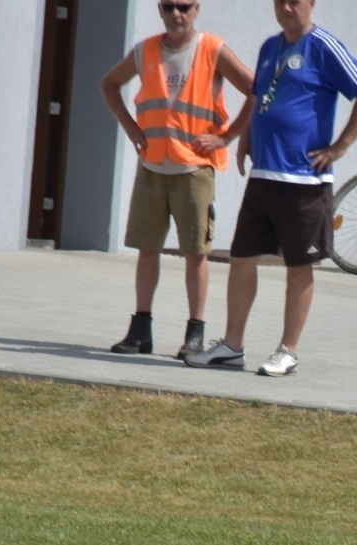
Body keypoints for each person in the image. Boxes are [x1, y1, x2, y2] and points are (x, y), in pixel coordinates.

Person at [214, 0, 357, 377]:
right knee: (242, 258)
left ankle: (288, 350)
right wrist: (245, 137)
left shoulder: (323, 47)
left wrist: (339, 147)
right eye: (280, 2)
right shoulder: (269, 47)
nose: (286, 8)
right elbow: (260, 97)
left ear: (311, 4)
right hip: (264, 176)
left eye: (295, 1)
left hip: (304, 182)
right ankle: (231, 345)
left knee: (299, 265)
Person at [100, 0, 254, 364]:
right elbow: (109, 84)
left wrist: (226, 137)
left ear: (196, 9)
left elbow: (256, 89)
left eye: (183, 6)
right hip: (154, 165)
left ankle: (195, 334)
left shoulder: (211, 49)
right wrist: (132, 128)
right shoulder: (146, 50)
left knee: (195, 253)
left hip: (193, 169)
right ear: (159, 9)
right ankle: (140, 331)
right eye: (169, 7)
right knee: (147, 247)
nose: (176, 14)